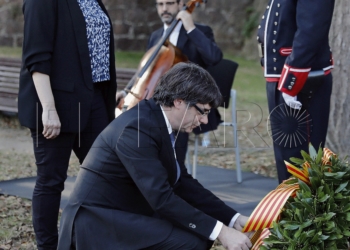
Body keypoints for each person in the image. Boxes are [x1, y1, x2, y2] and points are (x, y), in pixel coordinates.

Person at [58, 63, 252, 250]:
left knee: (200, 235)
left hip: (124, 212)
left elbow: (181, 182)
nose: (205, 120)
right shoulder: (137, 129)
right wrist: (221, 232)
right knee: (191, 241)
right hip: (97, 222)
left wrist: (233, 219)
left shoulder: (161, 120)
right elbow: (161, 197)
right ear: (179, 102)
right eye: (203, 111)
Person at [18, 0, 116, 249]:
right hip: (56, 102)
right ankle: (48, 246)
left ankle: (85, 240)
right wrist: (49, 108)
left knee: (106, 176)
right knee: (51, 180)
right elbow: (36, 57)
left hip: (94, 100)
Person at [117, 0, 223, 166]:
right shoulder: (156, 36)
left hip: (189, 105)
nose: (164, 9)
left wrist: (191, 28)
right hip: (156, 100)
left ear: (181, 3)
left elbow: (214, 57)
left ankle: (172, 175)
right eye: (160, 4)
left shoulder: (200, 31)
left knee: (174, 117)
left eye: (169, 3)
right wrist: (126, 91)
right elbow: (146, 73)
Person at [257, 0, 335, 183]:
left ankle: (300, 211)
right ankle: (290, 209)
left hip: (301, 81)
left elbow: (312, 30)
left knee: (299, 163)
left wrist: (291, 82)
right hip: (282, 76)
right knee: (287, 160)